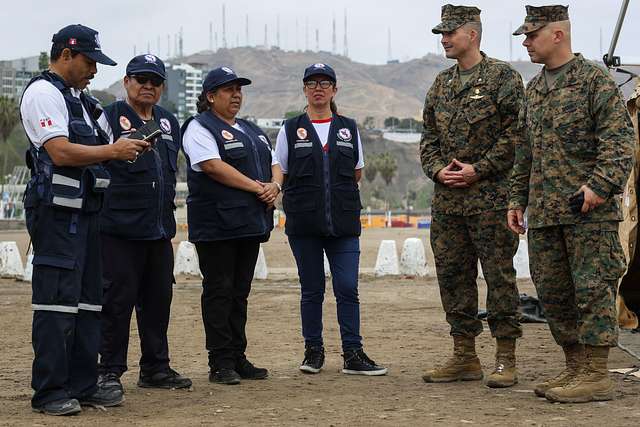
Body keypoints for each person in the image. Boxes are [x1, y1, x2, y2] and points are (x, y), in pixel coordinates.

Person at [20, 24, 148, 416]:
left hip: (88, 212)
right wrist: (114, 150)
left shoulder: (83, 100)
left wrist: (127, 146)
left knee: (90, 302)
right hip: (57, 215)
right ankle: (50, 390)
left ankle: (83, 383)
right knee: (57, 302)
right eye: (90, 61)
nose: (95, 70)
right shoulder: (43, 94)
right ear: (65, 55)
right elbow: (58, 152)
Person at [509, 5, 635, 403]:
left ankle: (597, 373)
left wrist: (598, 187)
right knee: (554, 293)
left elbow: (620, 144)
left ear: (557, 35)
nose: (526, 43)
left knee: (592, 290)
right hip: (545, 214)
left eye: (531, 35)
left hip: (588, 215)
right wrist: (517, 199)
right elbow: (524, 151)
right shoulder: (535, 89)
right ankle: (575, 368)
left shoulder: (593, 81)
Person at [420, 4, 525, 388]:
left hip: (491, 201)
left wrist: (478, 169)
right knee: (453, 277)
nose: (444, 40)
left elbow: (517, 136)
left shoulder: (503, 78)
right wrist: (437, 170)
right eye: (442, 34)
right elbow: (428, 141)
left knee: (499, 279)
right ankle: (465, 356)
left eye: (450, 33)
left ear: (472, 34)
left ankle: (505, 358)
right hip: (448, 204)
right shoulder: (440, 84)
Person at [274, 63, 387, 376]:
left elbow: (357, 171)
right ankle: (313, 351)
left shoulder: (349, 128)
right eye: (311, 82)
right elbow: (279, 167)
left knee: (348, 287)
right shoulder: (290, 127)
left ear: (334, 90)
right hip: (304, 224)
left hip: (343, 224)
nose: (318, 88)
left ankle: (353, 353)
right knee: (312, 289)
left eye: (325, 82)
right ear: (305, 89)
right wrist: (276, 188)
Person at [96, 54, 192, 394]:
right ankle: (108, 370)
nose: (148, 86)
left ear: (162, 87)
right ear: (126, 82)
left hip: (159, 230)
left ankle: (155, 368)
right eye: (140, 79)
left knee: (157, 302)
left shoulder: (169, 121)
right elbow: (95, 163)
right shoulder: (108, 117)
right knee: (116, 303)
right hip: (119, 229)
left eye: (155, 81)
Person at [181, 66, 279, 385]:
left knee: (240, 294)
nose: (236, 94)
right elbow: (212, 166)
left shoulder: (251, 129)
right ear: (210, 96)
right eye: (228, 89)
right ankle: (220, 361)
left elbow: (275, 162)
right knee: (219, 292)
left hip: (248, 225)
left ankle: (238, 356)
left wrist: (274, 186)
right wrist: (257, 187)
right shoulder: (199, 127)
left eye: (239, 89)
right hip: (217, 227)